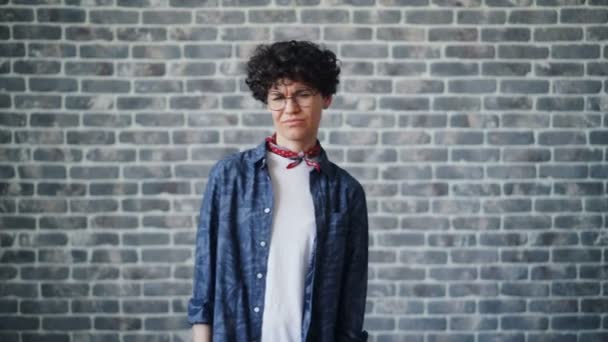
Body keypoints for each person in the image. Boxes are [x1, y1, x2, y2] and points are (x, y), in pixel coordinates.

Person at [188, 40, 369, 342]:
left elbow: (351, 304)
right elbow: (205, 278)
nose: (291, 108)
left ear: (326, 98)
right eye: (278, 97)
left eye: (303, 94)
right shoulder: (229, 177)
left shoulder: (346, 193)